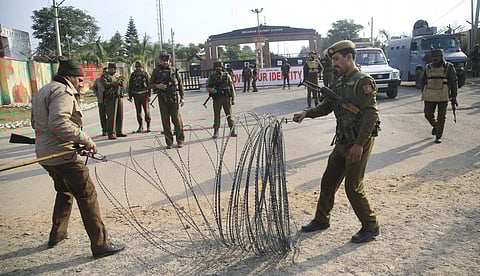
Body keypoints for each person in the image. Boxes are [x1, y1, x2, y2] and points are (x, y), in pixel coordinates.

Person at [31, 58, 125, 258]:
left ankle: (57, 234)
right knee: (87, 194)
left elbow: (36, 123)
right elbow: (58, 123)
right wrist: (86, 140)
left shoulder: (44, 90)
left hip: (45, 154)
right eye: (79, 80)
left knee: (64, 190)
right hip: (62, 154)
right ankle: (100, 245)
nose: (81, 84)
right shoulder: (63, 92)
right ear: (70, 77)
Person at [293, 40, 381, 243]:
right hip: (342, 140)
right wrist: (306, 113)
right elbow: (326, 107)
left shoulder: (363, 82)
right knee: (328, 181)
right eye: (332, 60)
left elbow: (371, 115)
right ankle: (321, 219)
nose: (334, 63)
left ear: (349, 57)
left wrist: (359, 145)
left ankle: (370, 226)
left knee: (353, 186)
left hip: (360, 141)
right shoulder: (339, 83)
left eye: (336, 59)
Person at [420, 48, 458, 144]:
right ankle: (436, 126)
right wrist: (424, 91)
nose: (434, 59)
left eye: (436, 57)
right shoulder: (428, 67)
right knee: (428, 114)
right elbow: (422, 80)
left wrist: (454, 96)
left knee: (441, 117)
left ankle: (438, 135)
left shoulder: (449, 67)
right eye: (433, 57)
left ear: (441, 57)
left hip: (443, 95)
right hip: (429, 95)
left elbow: (454, 82)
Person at [149, 52, 185, 149]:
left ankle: (180, 140)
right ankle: (169, 142)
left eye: (167, 60)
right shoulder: (156, 71)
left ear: (169, 60)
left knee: (177, 120)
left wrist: (182, 97)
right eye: (163, 60)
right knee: (165, 121)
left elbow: (180, 84)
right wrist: (158, 86)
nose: (165, 62)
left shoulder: (174, 70)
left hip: (173, 98)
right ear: (160, 61)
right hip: (162, 99)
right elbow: (150, 84)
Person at [206, 61, 237, 138]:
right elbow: (207, 87)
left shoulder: (227, 76)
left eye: (219, 67)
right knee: (217, 116)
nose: (218, 69)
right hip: (217, 99)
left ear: (222, 67)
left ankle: (232, 130)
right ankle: (216, 131)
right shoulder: (212, 77)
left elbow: (232, 87)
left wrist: (233, 98)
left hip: (226, 98)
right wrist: (211, 90)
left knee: (229, 115)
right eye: (216, 67)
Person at [102, 63, 127, 140]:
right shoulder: (104, 76)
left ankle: (119, 131)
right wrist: (116, 82)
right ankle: (111, 133)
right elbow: (105, 85)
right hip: (110, 97)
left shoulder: (116, 76)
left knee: (120, 115)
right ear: (109, 69)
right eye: (113, 69)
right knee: (111, 116)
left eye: (115, 69)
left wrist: (122, 82)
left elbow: (122, 85)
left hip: (118, 96)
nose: (114, 70)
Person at [128, 61, 151, 133]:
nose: (138, 67)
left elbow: (148, 85)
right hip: (136, 95)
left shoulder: (145, 74)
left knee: (145, 111)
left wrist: (149, 95)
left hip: (144, 94)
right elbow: (131, 85)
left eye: (138, 66)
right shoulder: (133, 74)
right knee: (139, 112)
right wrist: (130, 96)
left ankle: (148, 126)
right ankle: (141, 126)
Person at [92, 67, 107, 136]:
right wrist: (97, 94)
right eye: (104, 72)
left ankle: (111, 129)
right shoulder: (98, 80)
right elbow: (94, 88)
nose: (105, 73)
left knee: (110, 116)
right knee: (102, 116)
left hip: (109, 101)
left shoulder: (110, 80)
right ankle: (104, 130)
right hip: (101, 100)